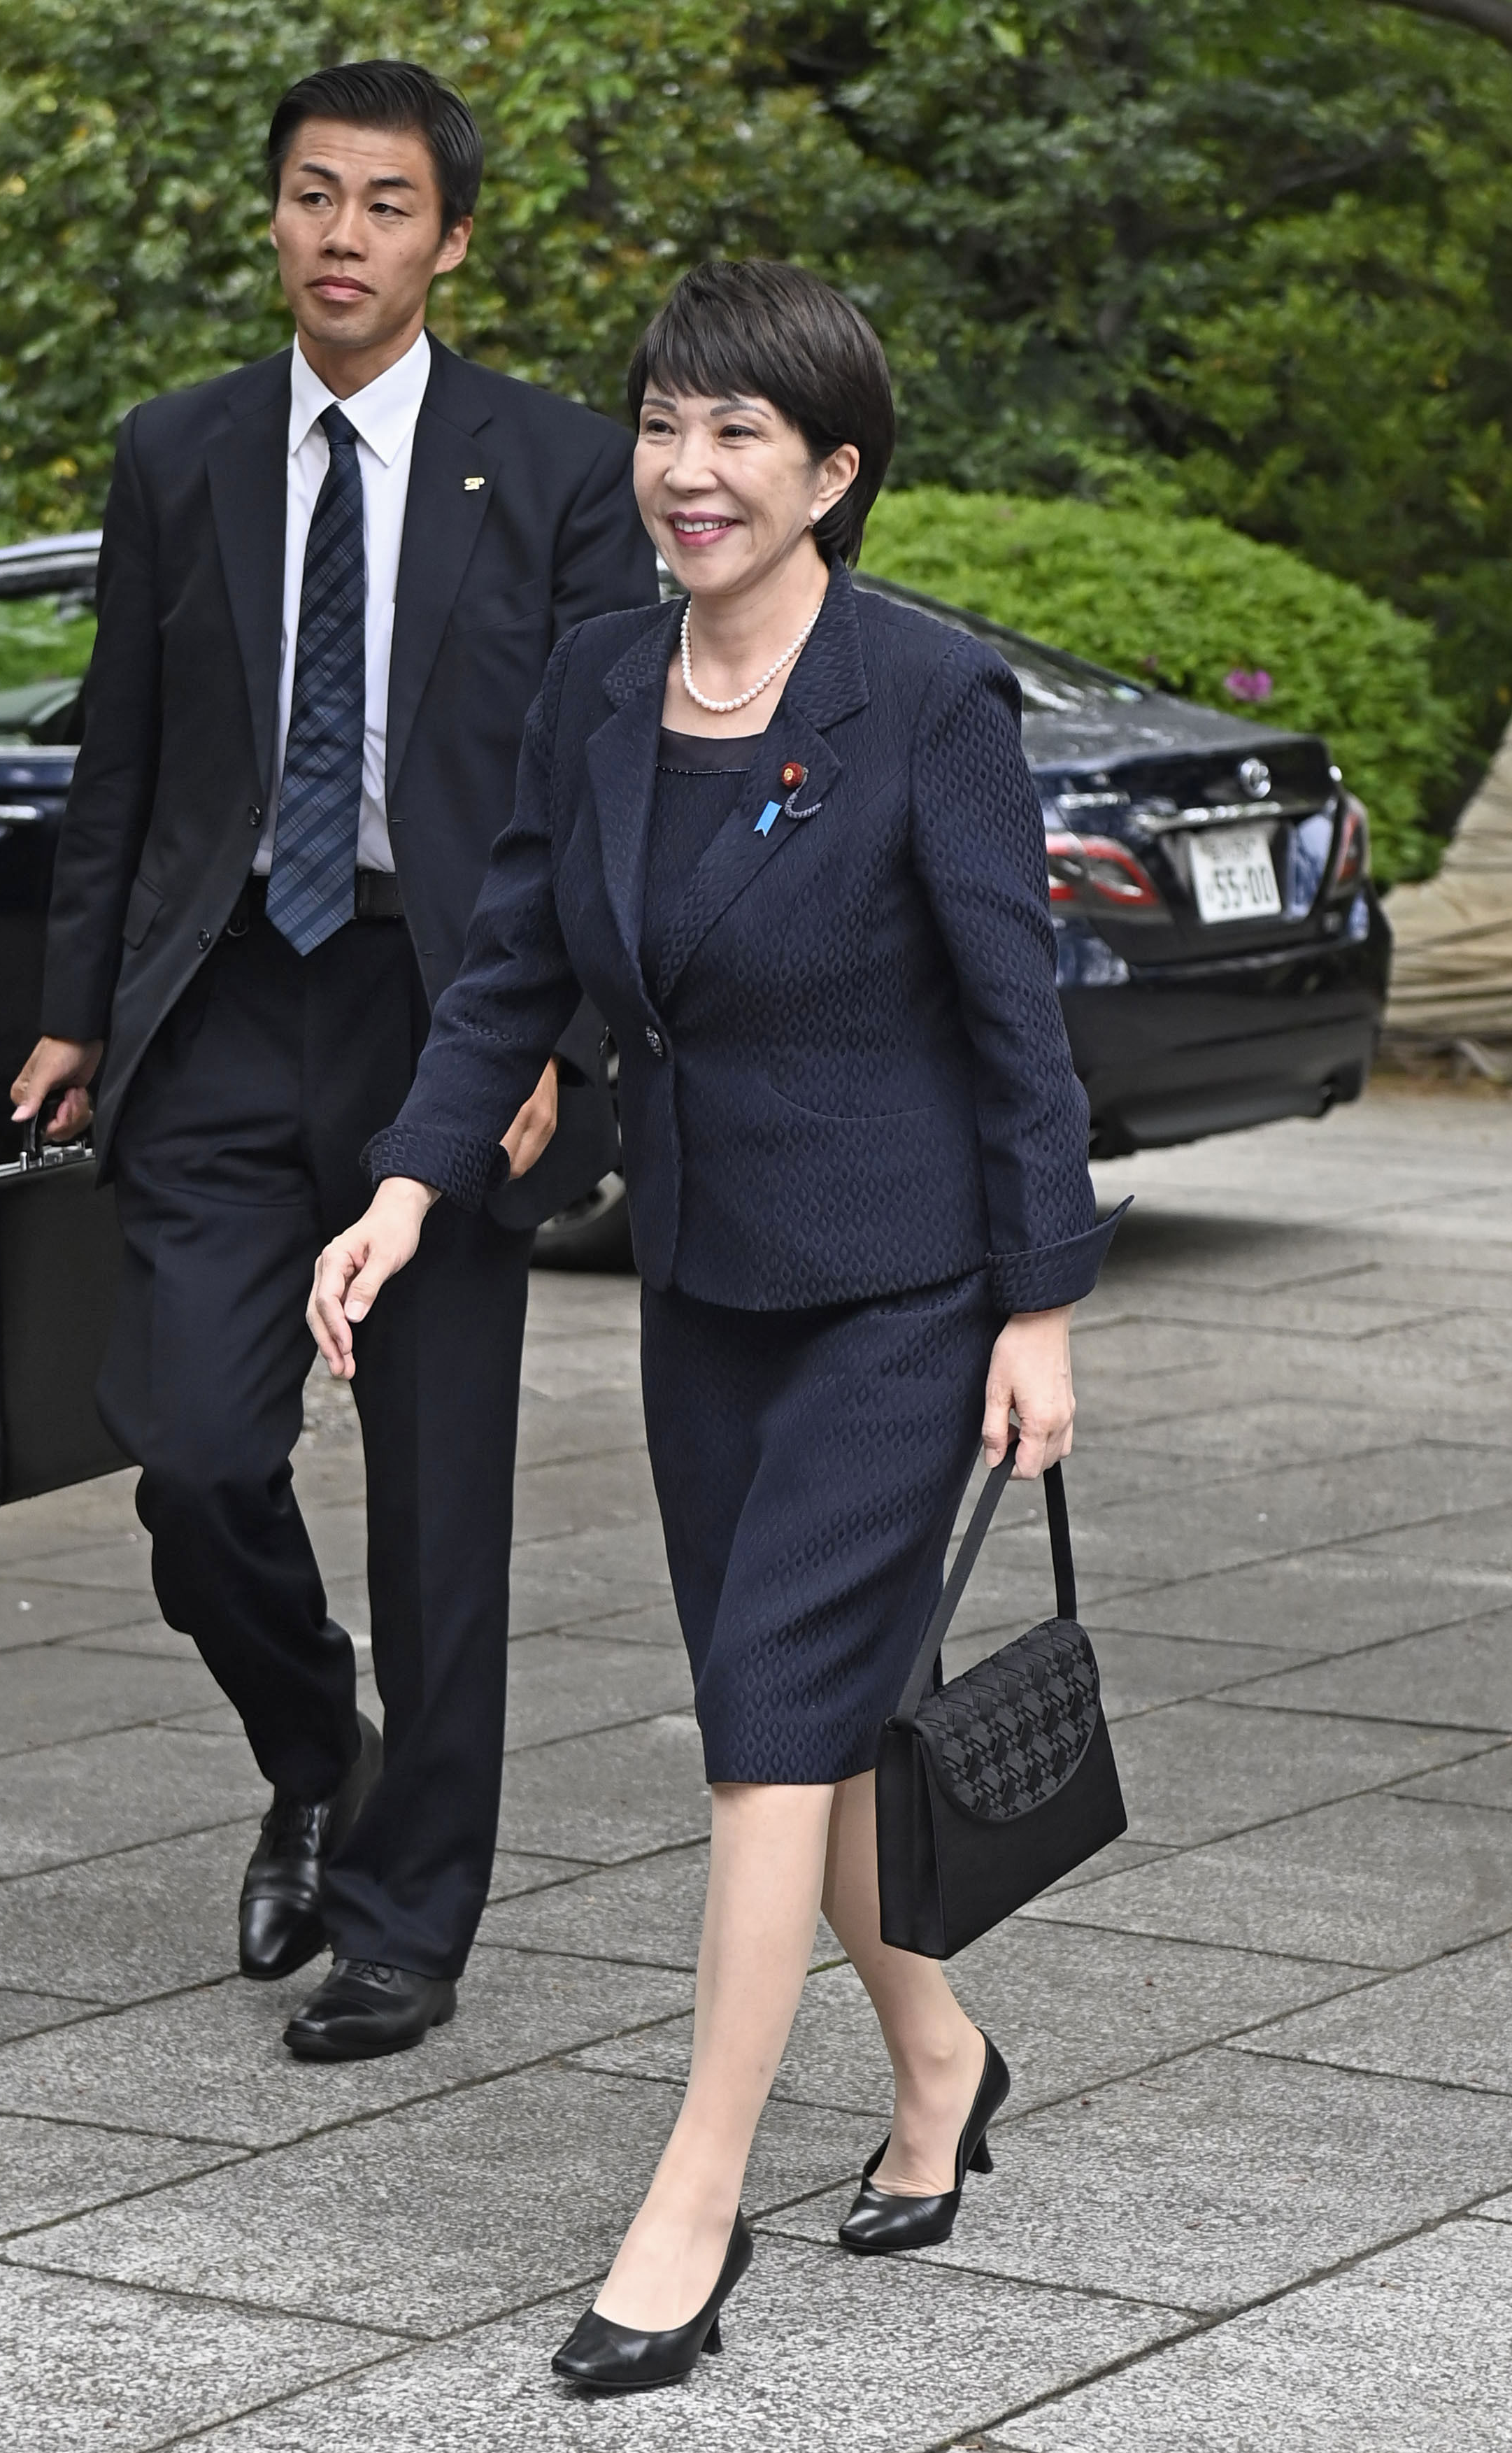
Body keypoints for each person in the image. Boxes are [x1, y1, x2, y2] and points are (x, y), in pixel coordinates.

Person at [308, 258, 1124, 2387]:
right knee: (829, 1730)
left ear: (833, 473)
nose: (689, 468)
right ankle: (939, 2056)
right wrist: (404, 1187)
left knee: (766, 1727)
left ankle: (693, 2195)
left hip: (900, 1293)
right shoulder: (595, 684)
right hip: (708, 1288)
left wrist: (1040, 1308)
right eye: (667, 422)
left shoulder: (925, 698)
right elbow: (508, 970)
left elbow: (1017, 1029)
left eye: (742, 432)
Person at [7, 59, 659, 2063]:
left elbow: (603, 773)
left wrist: (550, 1026)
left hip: (442, 1019)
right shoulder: (178, 448)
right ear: (273, 217)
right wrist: (74, 1008)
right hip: (217, 1006)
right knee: (194, 1455)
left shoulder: (551, 465)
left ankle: (406, 1910)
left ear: (450, 237)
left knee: (437, 1495)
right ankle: (319, 1743)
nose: (343, 236)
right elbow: (122, 753)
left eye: (386, 204)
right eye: (313, 196)